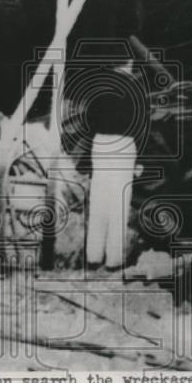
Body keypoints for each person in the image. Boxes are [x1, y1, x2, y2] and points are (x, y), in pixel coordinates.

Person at [84, 59, 142, 271]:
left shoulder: (99, 87)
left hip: (100, 143)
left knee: (98, 201)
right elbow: (141, 125)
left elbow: (89, 120)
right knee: (119, 204)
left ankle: (93, 257)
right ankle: (113, 261)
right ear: (128, 64)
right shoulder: (134, 88)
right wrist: (140, 160)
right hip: (123, 145)